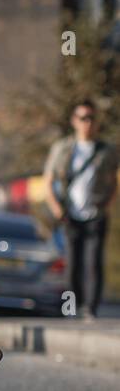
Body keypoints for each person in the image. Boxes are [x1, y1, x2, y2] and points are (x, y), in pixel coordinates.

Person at [43, 98, 118, 320]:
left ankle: (90, 309)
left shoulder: (106, 150)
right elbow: (48, 180)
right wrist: (56, 208)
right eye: (83, 118)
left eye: (92, 118)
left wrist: (107, 205)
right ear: (74, 121)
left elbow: (114, 181)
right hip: (69, 215)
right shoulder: (63, 148)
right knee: (73, 263)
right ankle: (71, 307)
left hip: (96, 214)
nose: (88, 123)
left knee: (94, 262)